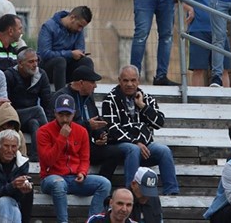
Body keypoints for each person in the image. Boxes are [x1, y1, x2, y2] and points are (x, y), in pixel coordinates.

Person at [102, 65, 179, 195]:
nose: (129, 84)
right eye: (125, 80)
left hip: (146, 145)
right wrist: (135, 142)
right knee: (133, 149)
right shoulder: (110, 100)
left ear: (138, 81)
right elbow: (113, 128)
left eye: (133, 80)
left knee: (164, 150)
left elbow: (159, 123)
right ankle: (131, 193)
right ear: (119, 81)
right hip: (120, 146)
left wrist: (143, 106)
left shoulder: (147, 99)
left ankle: (171, 191)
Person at [38, 94, 112, 223]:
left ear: (74, 114)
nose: (64, 119)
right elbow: (48, 160)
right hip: (51, 177)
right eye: (61, 114)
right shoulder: (43, 131)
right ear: (55, 113)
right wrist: (62, 138)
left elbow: (85, 158)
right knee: (58, 183)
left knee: (104, 183)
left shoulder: (81, 131)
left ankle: (92, 221)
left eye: (68, 115)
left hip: (74, 178)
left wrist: (82, 172)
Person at [49, 65, 124, 183]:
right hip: (67, 145)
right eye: (92, 82)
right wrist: (88, 125)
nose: (95, 86)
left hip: (86, 145)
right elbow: (59, 124)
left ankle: (102, 182)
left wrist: (100, 135)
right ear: (81, 83)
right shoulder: (61, 97)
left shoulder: (89, 98)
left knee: (116, 152)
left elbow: (95, 121)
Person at [174, 0, 231, 86]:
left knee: (223, 69)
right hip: (198, 29)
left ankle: (227, 96)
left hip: (219, 29)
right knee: (198, 69)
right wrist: (189, 8)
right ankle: (197, 97)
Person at [4, 47, 50, 161]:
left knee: (34, 122)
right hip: (12, 116)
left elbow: (47, 101)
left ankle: (36, 157)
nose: (35, 65)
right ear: (20, 63)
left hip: (30, 117)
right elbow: (5, 105)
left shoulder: (41, 74)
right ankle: (51, 139)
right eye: (31, 62)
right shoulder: (9, 75)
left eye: (36, 61)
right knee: (38, 110)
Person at [0, 129, 33, 223]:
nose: (10, 150)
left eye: (13, 146)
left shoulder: (23, 162)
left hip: (12, 205)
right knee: (6, 203)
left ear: (18, 147)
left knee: (10, 205)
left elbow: (19, 198)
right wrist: (13, 185)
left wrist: (23, 190)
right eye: (6, 146)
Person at [37, 5, 94, 91]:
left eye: (82, 27)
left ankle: (88, 95)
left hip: (67, 69)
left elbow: (79, 50)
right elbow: (44, 54)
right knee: (60, 61)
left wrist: (79, 54)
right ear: (72, 18)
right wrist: (70, 54)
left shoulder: (78, 30)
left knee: (87, 61)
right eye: (79, 25)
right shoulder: (49, 26)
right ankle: (62, 96)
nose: (80, 29)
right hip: (49, 69)